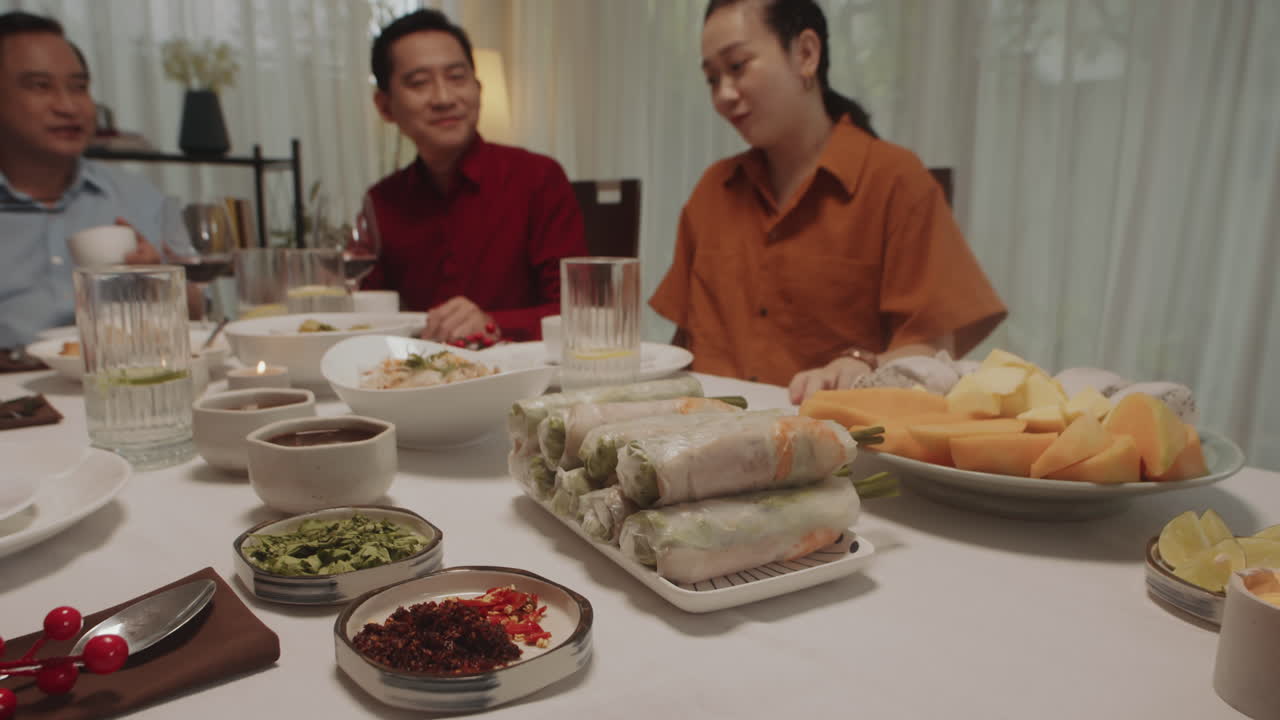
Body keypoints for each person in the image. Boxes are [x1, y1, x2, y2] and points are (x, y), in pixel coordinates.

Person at [650, 0, 1007, 404]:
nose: (723, 95)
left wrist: (863, 364)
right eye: (712, 79)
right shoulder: (714, 191)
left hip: (836, 446)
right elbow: (683, 348)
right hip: (702, 438)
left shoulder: (894, 180)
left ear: (805, 54)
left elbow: (933, 349)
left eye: (736, 66)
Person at [363, 9, 586, 344]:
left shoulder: (538, 178)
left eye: (456, 77)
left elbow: (578, 313)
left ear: (478, 88)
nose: (443, 98)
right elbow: (367, 320)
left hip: (528, 382)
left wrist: (493, 323)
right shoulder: (382, 201)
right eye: (419, 83)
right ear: (384, 106)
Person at [0, 11, 197, 350]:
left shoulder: (139, 198)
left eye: (79, 87)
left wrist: (162, 285)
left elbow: (202, 316)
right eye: (40, 86)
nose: (68, 106)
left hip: (129, 383)